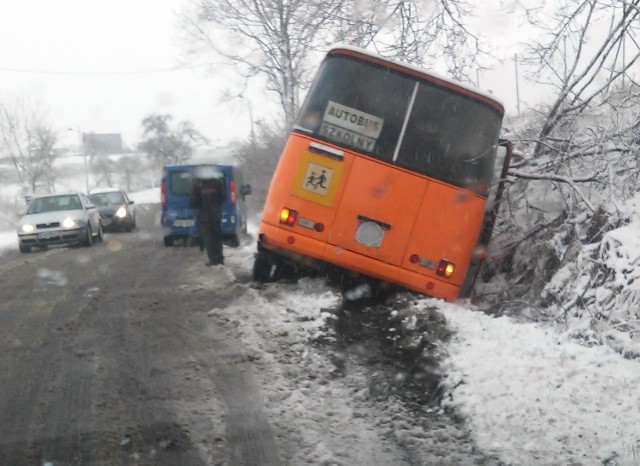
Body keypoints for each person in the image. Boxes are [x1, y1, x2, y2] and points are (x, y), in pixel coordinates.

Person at [189, 166, 226, 266]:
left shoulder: (196, 184)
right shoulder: (217, 182)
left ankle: (212, 259)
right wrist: (215, 204)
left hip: (203, 215)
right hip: (216, 214)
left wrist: (200, 206)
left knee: (208, 238)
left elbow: (193, 201)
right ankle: (220, 259)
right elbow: (223, 197)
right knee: (217, 237)